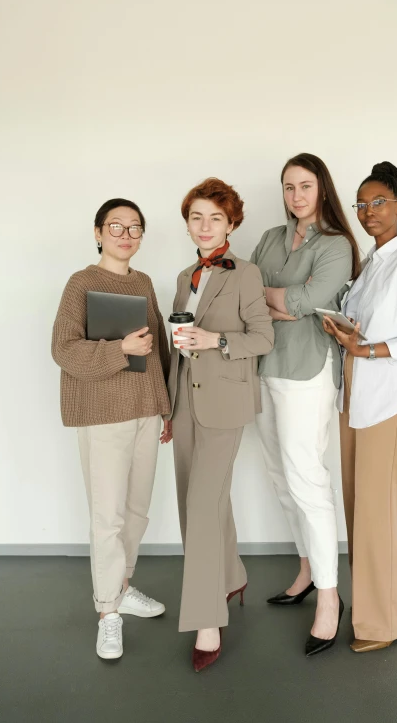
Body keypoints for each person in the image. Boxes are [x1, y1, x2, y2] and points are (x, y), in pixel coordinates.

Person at [322, 161, 397, 653]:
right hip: (356, 395)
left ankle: (382, 623)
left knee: (377, 510)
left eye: (379, 203)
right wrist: (345, 330)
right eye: (362, 204)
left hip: (386, 399)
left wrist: (365, 349)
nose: (369, 212)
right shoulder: (372, 263)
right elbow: (365, 325)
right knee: (372, 505)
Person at [250, 153, 361, 656]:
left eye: (306, 186)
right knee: (280, 477)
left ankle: (330, 598)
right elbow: (247, 296)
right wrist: (288, 303)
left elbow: (310, 302)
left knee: (307, 478)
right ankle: (308, 570)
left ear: (322, 189)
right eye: (289, 187)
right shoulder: (272, 238)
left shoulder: (337, 244)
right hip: (265, 366)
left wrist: (288, 304)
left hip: (308, 371)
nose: (297, 196)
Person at [51, 198, 172, 661]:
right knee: (109, 518)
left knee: (137, 511)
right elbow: (63, 348)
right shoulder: (81, 283)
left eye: (134, 227)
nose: (126, 233)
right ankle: (108, 615)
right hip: (103, 415)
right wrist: (119, 348)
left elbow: (158, 347)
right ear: (99, 232)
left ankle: (121, 589)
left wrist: (165, 408)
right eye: (116, 226)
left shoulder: (143, 283)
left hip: (145, 412)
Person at [167, 178, 274, 672]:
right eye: (197, 217)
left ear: (231, 224)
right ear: (188, 222)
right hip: (186, 402)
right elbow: (177, 347)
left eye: (215, 218)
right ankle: (231, 576)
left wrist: (216, 342)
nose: (205, 226)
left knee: (203, 504)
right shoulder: (184, 275)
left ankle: (208, 619)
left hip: (225, 403)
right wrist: (167, 408)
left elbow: (262, 337)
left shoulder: (246, 274)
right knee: (199, 501)